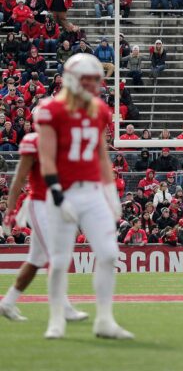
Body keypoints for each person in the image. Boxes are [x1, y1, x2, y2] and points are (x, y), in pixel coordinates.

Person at [35, 53, 132, 339]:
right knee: (60, 259)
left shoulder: (99, 109)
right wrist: (56, 193)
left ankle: (104, 319)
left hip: (91, 191)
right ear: (72, 79)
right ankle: (56, 319)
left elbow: (101, 154)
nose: (93, 86)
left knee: (108, 253)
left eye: (95, 80)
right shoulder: (51, 109)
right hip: (63, 190)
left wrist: (110, 190)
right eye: (87, 80)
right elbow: (47, 157)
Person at [0, 132, 89, 323]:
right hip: (39, 204)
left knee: (34, 261)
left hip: (56, 206)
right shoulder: (35, 142)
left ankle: (7, 303)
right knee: (55, 255)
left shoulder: (66, 142)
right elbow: (19, 177)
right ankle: (64, 307)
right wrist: (10, 208)